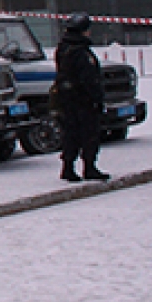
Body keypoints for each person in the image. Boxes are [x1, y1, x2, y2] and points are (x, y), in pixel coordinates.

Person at [54, 13, 109, 183]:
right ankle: (89, 167)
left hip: (67, 99)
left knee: (70, 133)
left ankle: (68, 167)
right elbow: (89, 79)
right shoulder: (81, 52)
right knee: (89, 134)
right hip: (83, 101)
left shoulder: (63, 48)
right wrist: (97, 98)